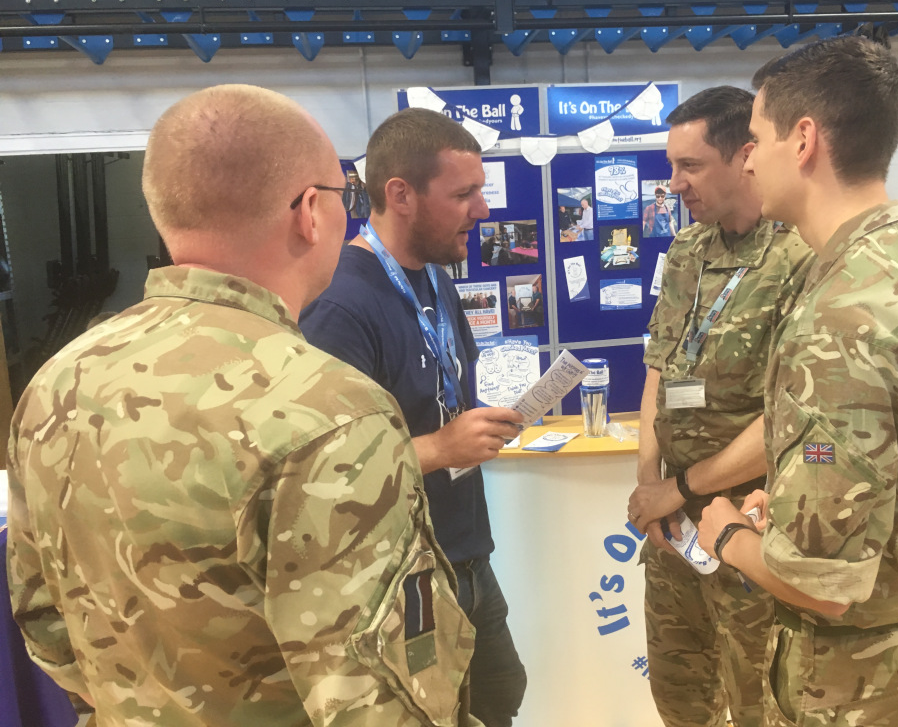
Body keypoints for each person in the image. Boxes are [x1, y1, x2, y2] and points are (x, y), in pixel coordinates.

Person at [5, 85, 479, 726]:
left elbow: (41, 619)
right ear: (310, 211)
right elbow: (378, 707)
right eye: (346, 194)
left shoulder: (58, 382)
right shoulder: (333, 413)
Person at [697, 36, 898, 727]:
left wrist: (726, 535)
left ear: (803, 139)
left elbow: (826, 586)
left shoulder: (839, 314)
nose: (746, 157)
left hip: (859, 685)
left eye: (755, 137)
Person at [299, 107, 528, 727]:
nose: (482, 211)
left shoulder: (432, 279)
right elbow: (326, 473)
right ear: (399, 194)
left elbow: (438, 394)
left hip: (465, 553)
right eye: (464, 194)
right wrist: (441, 448)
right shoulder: (340, 306)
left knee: (501, 693)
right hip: (403, 579)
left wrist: (475, 427)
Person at [626, 86, 815, 727]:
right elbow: (659, 368)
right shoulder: (686, 253)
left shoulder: (800, 258)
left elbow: (790, 418)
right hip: (674, 531)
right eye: (671, 165)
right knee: (680, 698)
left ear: (745, 155)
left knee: (760, 704)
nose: (673, 183)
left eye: (690, 166)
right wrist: (649, 481)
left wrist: (678, 488)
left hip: (755, 526)